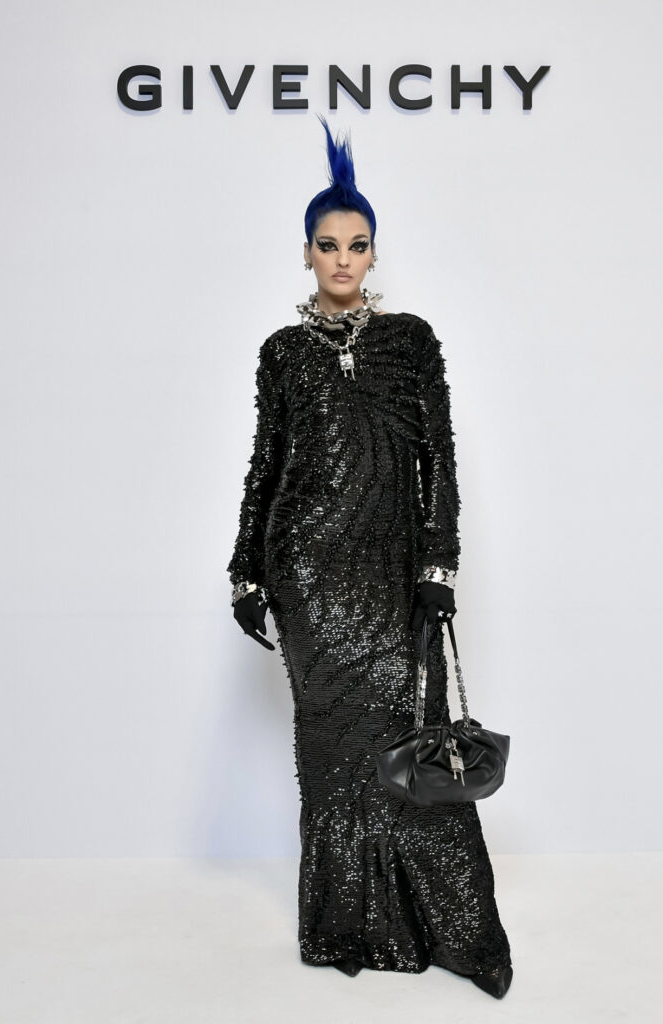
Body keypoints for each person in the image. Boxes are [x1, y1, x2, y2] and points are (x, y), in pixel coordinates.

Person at [226, 115, 513, 998]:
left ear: (373, 252)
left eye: (356, 245)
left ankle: (444, 926)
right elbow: (266, 464)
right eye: (327, 246)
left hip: (389, 570)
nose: (342, 260)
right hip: (306, 573)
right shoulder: (282, 353)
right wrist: (245, 571)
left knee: (405, 736)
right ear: (306, 254)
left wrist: (438, 566)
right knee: (330, 755)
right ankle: (345, 924)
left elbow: (440, 461)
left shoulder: (409, 341)